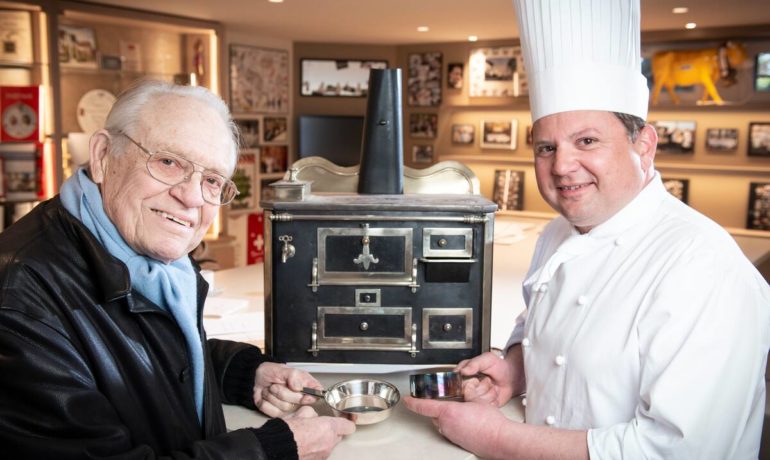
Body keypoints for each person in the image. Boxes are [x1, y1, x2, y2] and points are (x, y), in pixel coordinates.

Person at [404, 1, 770, 459]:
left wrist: (494, 438)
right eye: (546, 147)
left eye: (587, 141)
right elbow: (548, 330)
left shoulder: (704, 267)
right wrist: (516, 369)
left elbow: (679, 452)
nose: (561, 166)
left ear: (645, 146)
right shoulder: (558, 234)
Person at [0, 79, 355, 459]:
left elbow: (140, 361)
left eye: (212, 181)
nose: (189, 197)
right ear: (103, 156)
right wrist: (273, 450)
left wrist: (242, 374)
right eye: (168, 162)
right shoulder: (19, 299)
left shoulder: (144, 256)